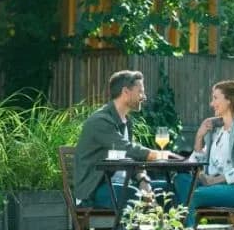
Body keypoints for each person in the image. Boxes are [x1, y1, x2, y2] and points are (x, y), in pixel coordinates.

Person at [73, 69, 179, 218]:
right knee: (133, 195)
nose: (144, 96)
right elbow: (126, 148)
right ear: (126, 92)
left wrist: (142, 178)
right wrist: (157, 154)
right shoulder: (100, 121)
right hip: (95, 190)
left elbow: (130, 158)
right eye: (140, 91)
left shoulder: (126, 122)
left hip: (122, 184)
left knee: (168, 190)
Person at [174, 80, 234, 228]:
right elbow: (195, 162)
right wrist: (199, 136)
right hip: (212, 187)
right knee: (178, 180)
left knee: (190, 196)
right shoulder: (218, 132)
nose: (211, 103)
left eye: (215, 98)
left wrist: (215, 180)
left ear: (229, 101)